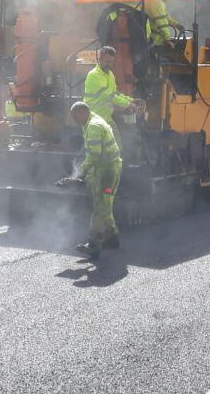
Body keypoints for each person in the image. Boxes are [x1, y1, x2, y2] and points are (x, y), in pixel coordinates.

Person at [68, 102, 122, 260]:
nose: (73, 120)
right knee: (105, 204)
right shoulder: (91, 120)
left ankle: (94, 244)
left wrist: (80, 174)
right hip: (105, 168)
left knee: (100, 207)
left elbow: (93, 156)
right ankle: (112, 238)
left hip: (109, 171)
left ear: (82, 112)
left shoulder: (93, 126)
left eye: (74, 116)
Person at [83, 46, 141, 145]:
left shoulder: (110, 75)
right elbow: (108, 96)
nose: (109, 65)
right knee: (96, 149)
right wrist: (128, 104)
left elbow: (115, 93)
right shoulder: (94, 75)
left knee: (116, 145)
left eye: (111, 62)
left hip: (105, 117)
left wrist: (131, 100)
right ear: (99, 58)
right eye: (107, 61)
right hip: (94, 118)